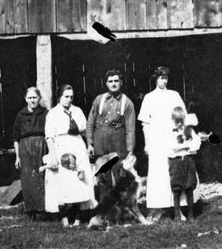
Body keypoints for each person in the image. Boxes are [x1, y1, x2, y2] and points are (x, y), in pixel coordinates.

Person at [137, 66, 187, 222]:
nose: (163, 81)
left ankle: (179, 209)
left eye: (165, 78)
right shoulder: (149, 97)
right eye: (160, 78)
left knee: (175, 173)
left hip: (172, 138)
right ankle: (158, 210)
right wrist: (147, 143)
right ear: (155, 79)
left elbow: (182, 118)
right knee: (158, 174)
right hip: (157, 140)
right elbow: (145, 123)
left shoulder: (174, 95)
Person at [44, 84, 97, 226]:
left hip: (78, 147)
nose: (69, 99)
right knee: (62, 181)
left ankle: (79, 217)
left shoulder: (77, 111)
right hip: (61, 148)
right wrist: (53, 155)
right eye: (66, 96)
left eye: (71, 97)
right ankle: (64, 217)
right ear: (59, 97)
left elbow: (85, 131)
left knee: (80, 180)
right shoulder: (53, 113)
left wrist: (89, 145)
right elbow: (49, 137)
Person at [86, 70, 136, 202]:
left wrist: (130, 150)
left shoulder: (127, 103)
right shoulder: (99, 99)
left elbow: (131, 129)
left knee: (118, 175)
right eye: (110, 81)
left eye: (116, 81)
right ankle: (104, 208)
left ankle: (119, 210)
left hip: (117, 143)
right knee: (102, 177)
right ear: (106, 83)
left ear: (121, 82)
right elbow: (90, 122)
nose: (113, 84)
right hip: (100, 142)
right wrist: (90, 143)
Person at [12, 87, 48, 222]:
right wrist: (17, 156)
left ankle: (43, 211)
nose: (32, 100)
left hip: (41, 147)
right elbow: (15, 137)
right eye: (30, 98)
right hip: (25, 149)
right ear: (25, 99)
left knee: (41, 177)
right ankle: (31, 211)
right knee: (27, 179)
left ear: (39, 99)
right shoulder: (20, 115)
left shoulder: (45, 113)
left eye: (35, 98)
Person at [168, 107, 201, 222]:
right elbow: (170, 148)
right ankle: (177, 215)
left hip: (188, 160)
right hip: (176, 161)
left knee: (189, 187)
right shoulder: (170, 132)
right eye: (176, 120)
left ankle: (191, 214)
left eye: (180, 120)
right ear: (172, 120)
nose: (178, 123)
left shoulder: (189, 131)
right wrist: (183, 146)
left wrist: (190, 147)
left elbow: (196, 142)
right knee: (176, 188)